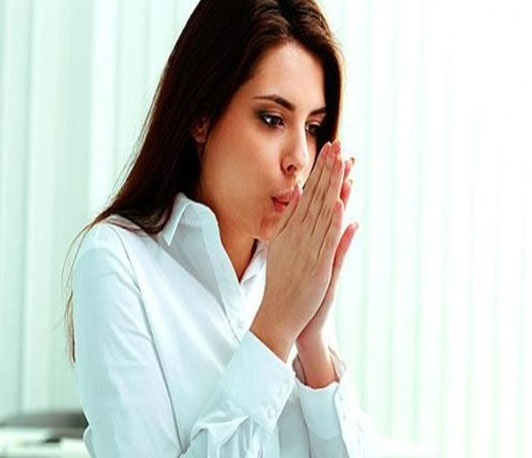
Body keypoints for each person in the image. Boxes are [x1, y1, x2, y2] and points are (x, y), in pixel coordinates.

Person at [63, 0, 379, 456]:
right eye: (272, 119)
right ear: (201, 115)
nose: (299, 158)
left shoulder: (289, 271)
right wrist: (274, 330)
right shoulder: (117, 263)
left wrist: (311, 341)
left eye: (313, 127)